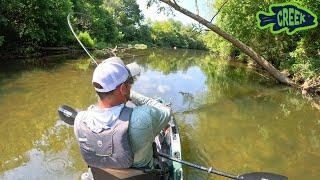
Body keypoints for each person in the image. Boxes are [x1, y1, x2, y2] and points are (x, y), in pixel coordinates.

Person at [73, 57, 172, 170]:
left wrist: (125, 92)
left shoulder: (79, 120)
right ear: (123, 88)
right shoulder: (143, 117)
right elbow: (166, 111)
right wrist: (131, 95)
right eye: (130, 82)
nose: (131, 85)